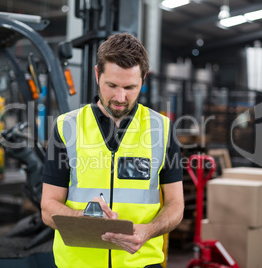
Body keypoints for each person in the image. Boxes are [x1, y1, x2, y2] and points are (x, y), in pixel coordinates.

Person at [41, 32, 184, 268]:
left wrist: (149, 230)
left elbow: (176, 205)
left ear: (143, 79)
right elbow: (48, 207)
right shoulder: (67, 127)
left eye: (130, 87)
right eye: (112, 85)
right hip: (79, 264)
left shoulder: (162, 129)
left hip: (141, 263)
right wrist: (83, 219)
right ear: (97, 75)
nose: (120, 97)